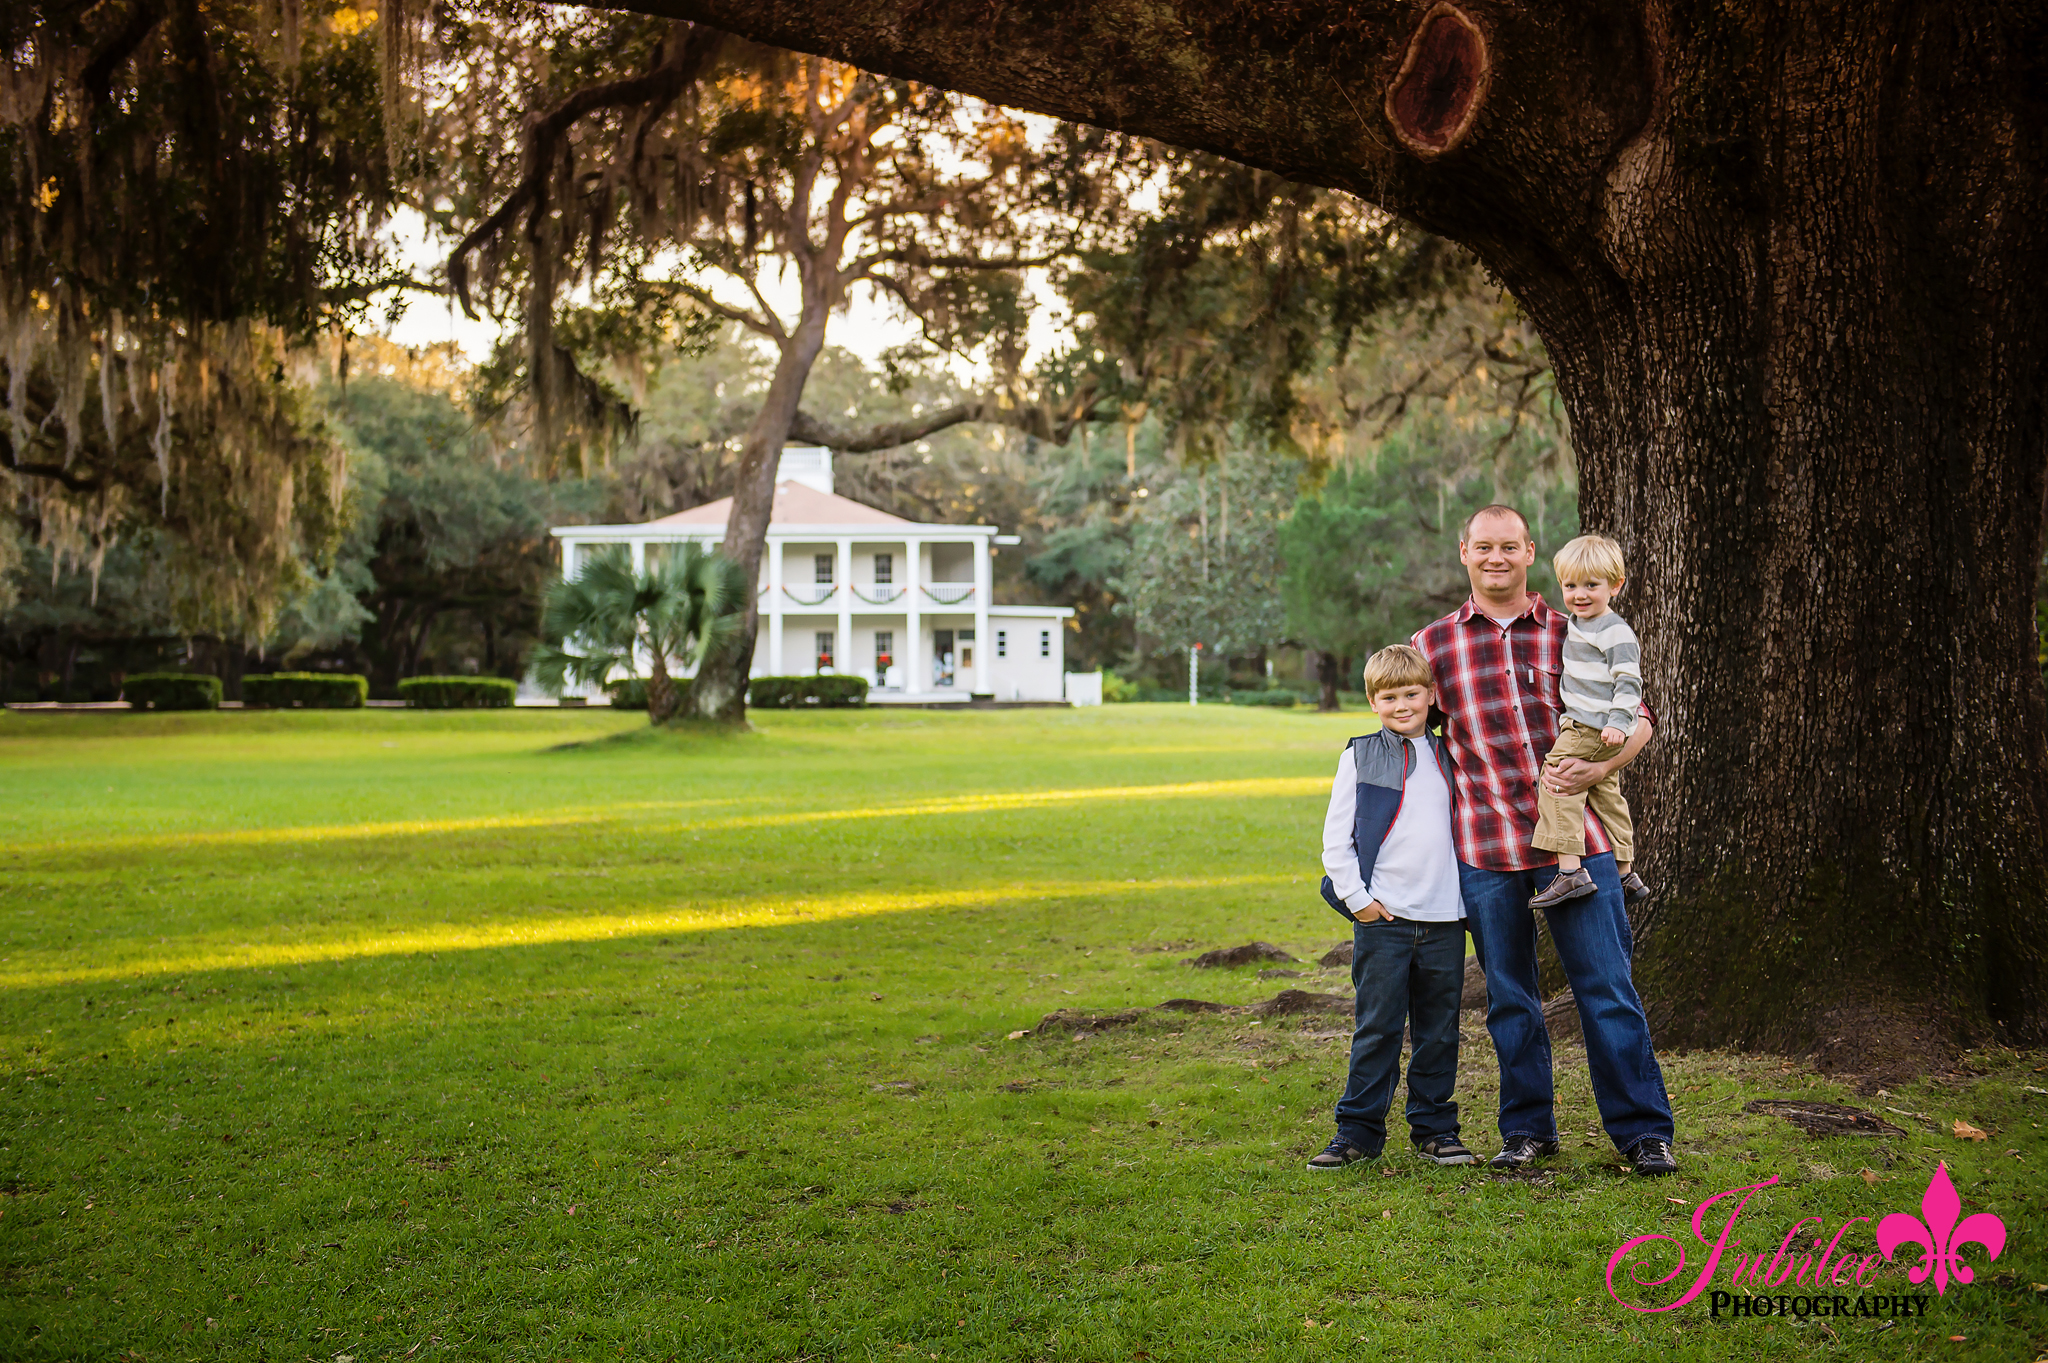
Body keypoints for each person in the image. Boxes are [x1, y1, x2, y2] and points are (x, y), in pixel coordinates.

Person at [1411, 506, 1678, 1177]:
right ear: (1464, 552)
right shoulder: (1432, 645)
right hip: (1486, 847)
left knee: (1608, 988)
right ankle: (1527, 1129)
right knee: (1510, 998)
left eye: (1509, 545)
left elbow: (1638, 715)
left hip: (1578, 849)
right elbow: (1409, 738)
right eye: (1483, 546)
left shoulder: (1574, 628)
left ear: (1529, 551)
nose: (1495, 557)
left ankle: (1644, 1132)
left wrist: (1602, 767)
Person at [1307, 644, 1476, 1170]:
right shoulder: (1359, 755)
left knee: (1439, 1029)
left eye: (1411, 693)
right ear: (1372, 702)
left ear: (1430, 695)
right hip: (1385, 919)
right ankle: (1357, 1131)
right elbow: (1338, 842)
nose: (1402, 705)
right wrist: (1359, 903)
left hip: (1446, 918)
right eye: (1388, 697)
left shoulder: (1454, 754)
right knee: (1377, 1026)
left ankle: (1435, 1128)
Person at [1529, 533, 1654, 909]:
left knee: (1557, 780)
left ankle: (1570, 871)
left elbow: (1629, 681)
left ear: (1616, 586)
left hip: (1592, 726)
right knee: (1605, 793)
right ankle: (1625, 871)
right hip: (1594, 726)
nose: (1579, 594)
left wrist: (1618, 721)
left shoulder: (1613, 629)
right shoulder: (1579, 622)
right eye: (1570, 586)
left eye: (1591, 585)